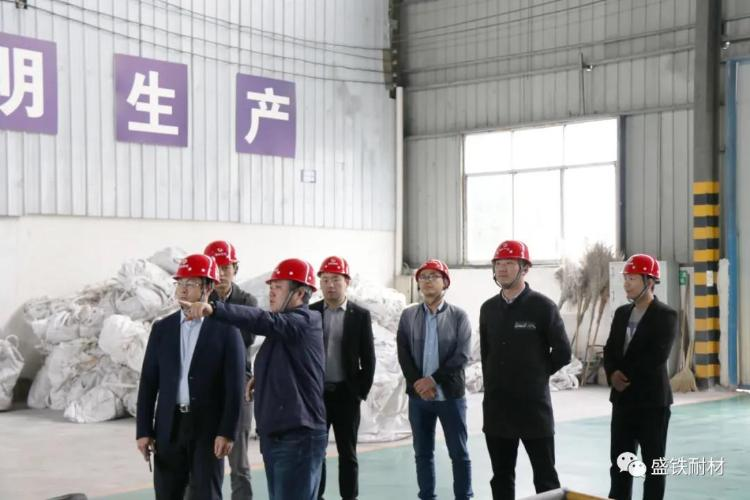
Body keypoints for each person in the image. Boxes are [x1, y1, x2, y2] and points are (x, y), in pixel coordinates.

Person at [181, 258, 327, 500]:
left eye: (278, 287)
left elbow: (263, 321)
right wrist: (262, 377)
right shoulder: (284, 328)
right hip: (277, 433)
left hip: (298, 435)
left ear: (300, 293)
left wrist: (214, 309)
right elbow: (293, 361)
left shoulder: (305, 321)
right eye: (271, 286)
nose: (271, 292)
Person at [136, 254, 245, 500]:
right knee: (167, 493)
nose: (183, 289)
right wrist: (143, 429)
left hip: (207, 428)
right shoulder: (162, 329)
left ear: (208, 287)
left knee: (207, 493)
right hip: (169, 426)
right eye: (180, 283)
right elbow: (149, 382)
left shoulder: (226, 329)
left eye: (191, 283)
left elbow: (235, 386)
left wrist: (227, 431)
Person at [480, 240, 571, 500]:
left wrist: (537, 375)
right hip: (498, 408)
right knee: (501, 476)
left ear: (525, 268)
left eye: (509, 263)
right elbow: (487, 354)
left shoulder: (543, 307)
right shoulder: (488, 309)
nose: (502, 268)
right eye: (498, 263)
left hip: (533, 408)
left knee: (545, 476)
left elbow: (563, 352)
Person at [396, 259, 473, 500]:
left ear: (445, 282)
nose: (427, 281)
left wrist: (432, 381)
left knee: (459, 453)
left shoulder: (459, 316)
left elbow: (462, 355)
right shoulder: (408, 316)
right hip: (419, 399)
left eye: (433, 276)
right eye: (423, 277)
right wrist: (419, 384)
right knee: (422, 453)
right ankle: (427, 496)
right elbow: (403, 353)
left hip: (450, 397)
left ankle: (464, 496)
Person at [604, 254, 678, 500]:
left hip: (652, 402)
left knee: (653, 464)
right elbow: (610, 349)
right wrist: (612, 374)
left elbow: (656, 355)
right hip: (623, 402)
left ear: (650, 281)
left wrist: (624, 376)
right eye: (625, 278)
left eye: (633, 279)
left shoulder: (665, 315)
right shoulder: (621, 313)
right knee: (620, 463)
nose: (627, 284)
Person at [310, 256, 376, 500]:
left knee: (347, 453)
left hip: (346, 395)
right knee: (316, 451)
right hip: (317, 396)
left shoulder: (359, 315)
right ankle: (317, 495)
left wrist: (359, 392)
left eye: (336, 279)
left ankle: (349, 496)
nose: (330, 285)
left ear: (346, 282)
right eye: (325, 280)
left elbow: (368, 358)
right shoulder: (311, 312)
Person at [200, 240, 259, 500]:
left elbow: (246, 337)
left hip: (238, 385)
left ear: (235, 268)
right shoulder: (200, 299)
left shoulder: (247, 301)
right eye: (216, 268)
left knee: (239, 463)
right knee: (202, 461)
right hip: (205, 385)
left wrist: (216, 314)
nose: (221, 273)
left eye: (226, 267)